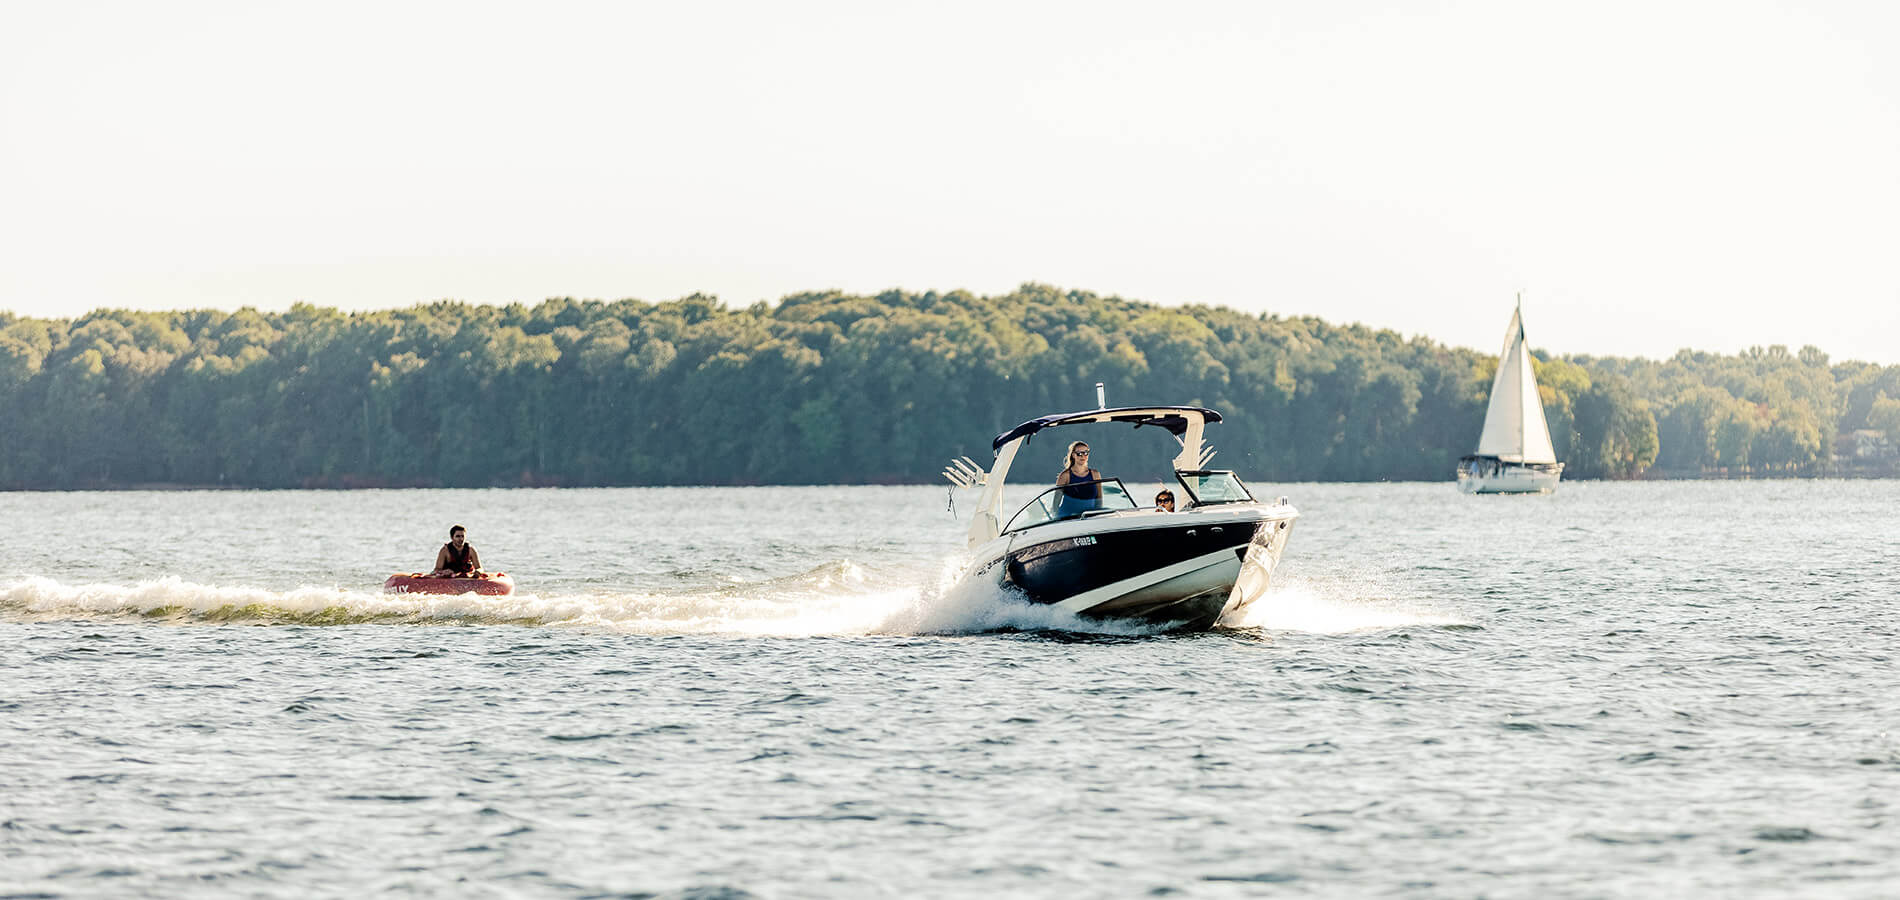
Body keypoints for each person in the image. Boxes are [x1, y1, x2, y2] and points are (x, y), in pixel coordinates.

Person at [1055, 440, 1103, 519]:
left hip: (1089, 516)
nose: (1083, 456)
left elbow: (1099, 500)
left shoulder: (1095, 474)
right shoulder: (1065, 476)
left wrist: (1097, 516)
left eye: (1086, 453)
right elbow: (1055, 503)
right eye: (1079, 454)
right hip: (1068, 517)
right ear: (1073, 455)